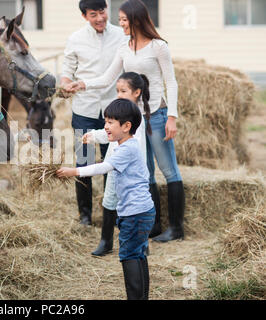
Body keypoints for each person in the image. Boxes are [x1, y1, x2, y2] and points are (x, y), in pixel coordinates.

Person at [65, 0, 185, 242]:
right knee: (147, 173)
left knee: (168, 170)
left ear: (135, 19)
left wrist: (172, 116)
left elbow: (170, 82)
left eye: (123, 19)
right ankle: (154, 226)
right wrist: (83, 84)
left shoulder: (158, 47)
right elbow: (109, 77)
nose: (119, 24)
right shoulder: (125, 48)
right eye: (118, 19)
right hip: (136, 119)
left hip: (158, 115)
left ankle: (177, 228)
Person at [57, 98, 155, 300]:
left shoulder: (127, 149)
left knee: (129, 255)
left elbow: (103, 167)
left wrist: (73, 171)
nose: (106, 126)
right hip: (139, 211)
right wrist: (93, 136)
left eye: (111, 122)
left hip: (136, 213)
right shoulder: (125, 146)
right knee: (137, 254)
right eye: (105, 121)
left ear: (127, 126)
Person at [60, 0, 127, 226]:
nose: (99, 18)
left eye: (102, 12)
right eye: (93, 14)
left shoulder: (121, 35)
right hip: (84, 109)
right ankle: (85, 214)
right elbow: (67, 71)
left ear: (107, 10)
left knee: (114, 161)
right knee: (84, 161)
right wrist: (66, 85)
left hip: (114, 107)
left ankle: (114, 213)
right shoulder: (76, 38)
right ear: (84, 16)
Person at [83, 72, 151, 256]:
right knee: (109, 201)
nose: (119, 95)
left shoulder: (136, 118)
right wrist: (94, 136)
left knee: (134, 205)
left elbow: (134, 147)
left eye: (123, 91)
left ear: (136, 93)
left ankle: (142, 242)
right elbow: (109, 132)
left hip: (129, 171)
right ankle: (106, 241)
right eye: (117, 91)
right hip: (114, 168)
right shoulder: (121, 113)